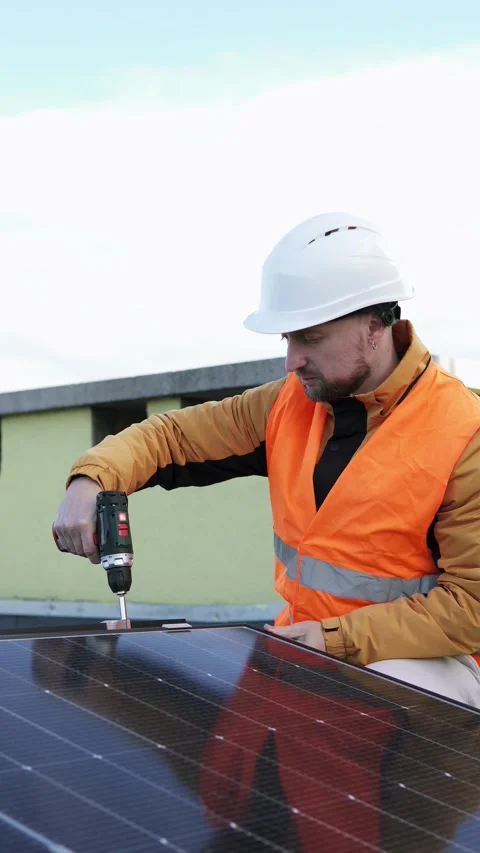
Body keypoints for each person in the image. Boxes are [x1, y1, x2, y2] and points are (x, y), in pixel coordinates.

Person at [54, 212, 480, 708]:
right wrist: (90, 478)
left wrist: (336, 638)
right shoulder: (286, 404)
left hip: (425, 670)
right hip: (307, 654)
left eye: (310, 337)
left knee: (378, 694)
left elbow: (472, 605)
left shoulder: (464, 432)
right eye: (287, 339)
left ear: (373, 325)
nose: (292, 360)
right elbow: (171, 437)